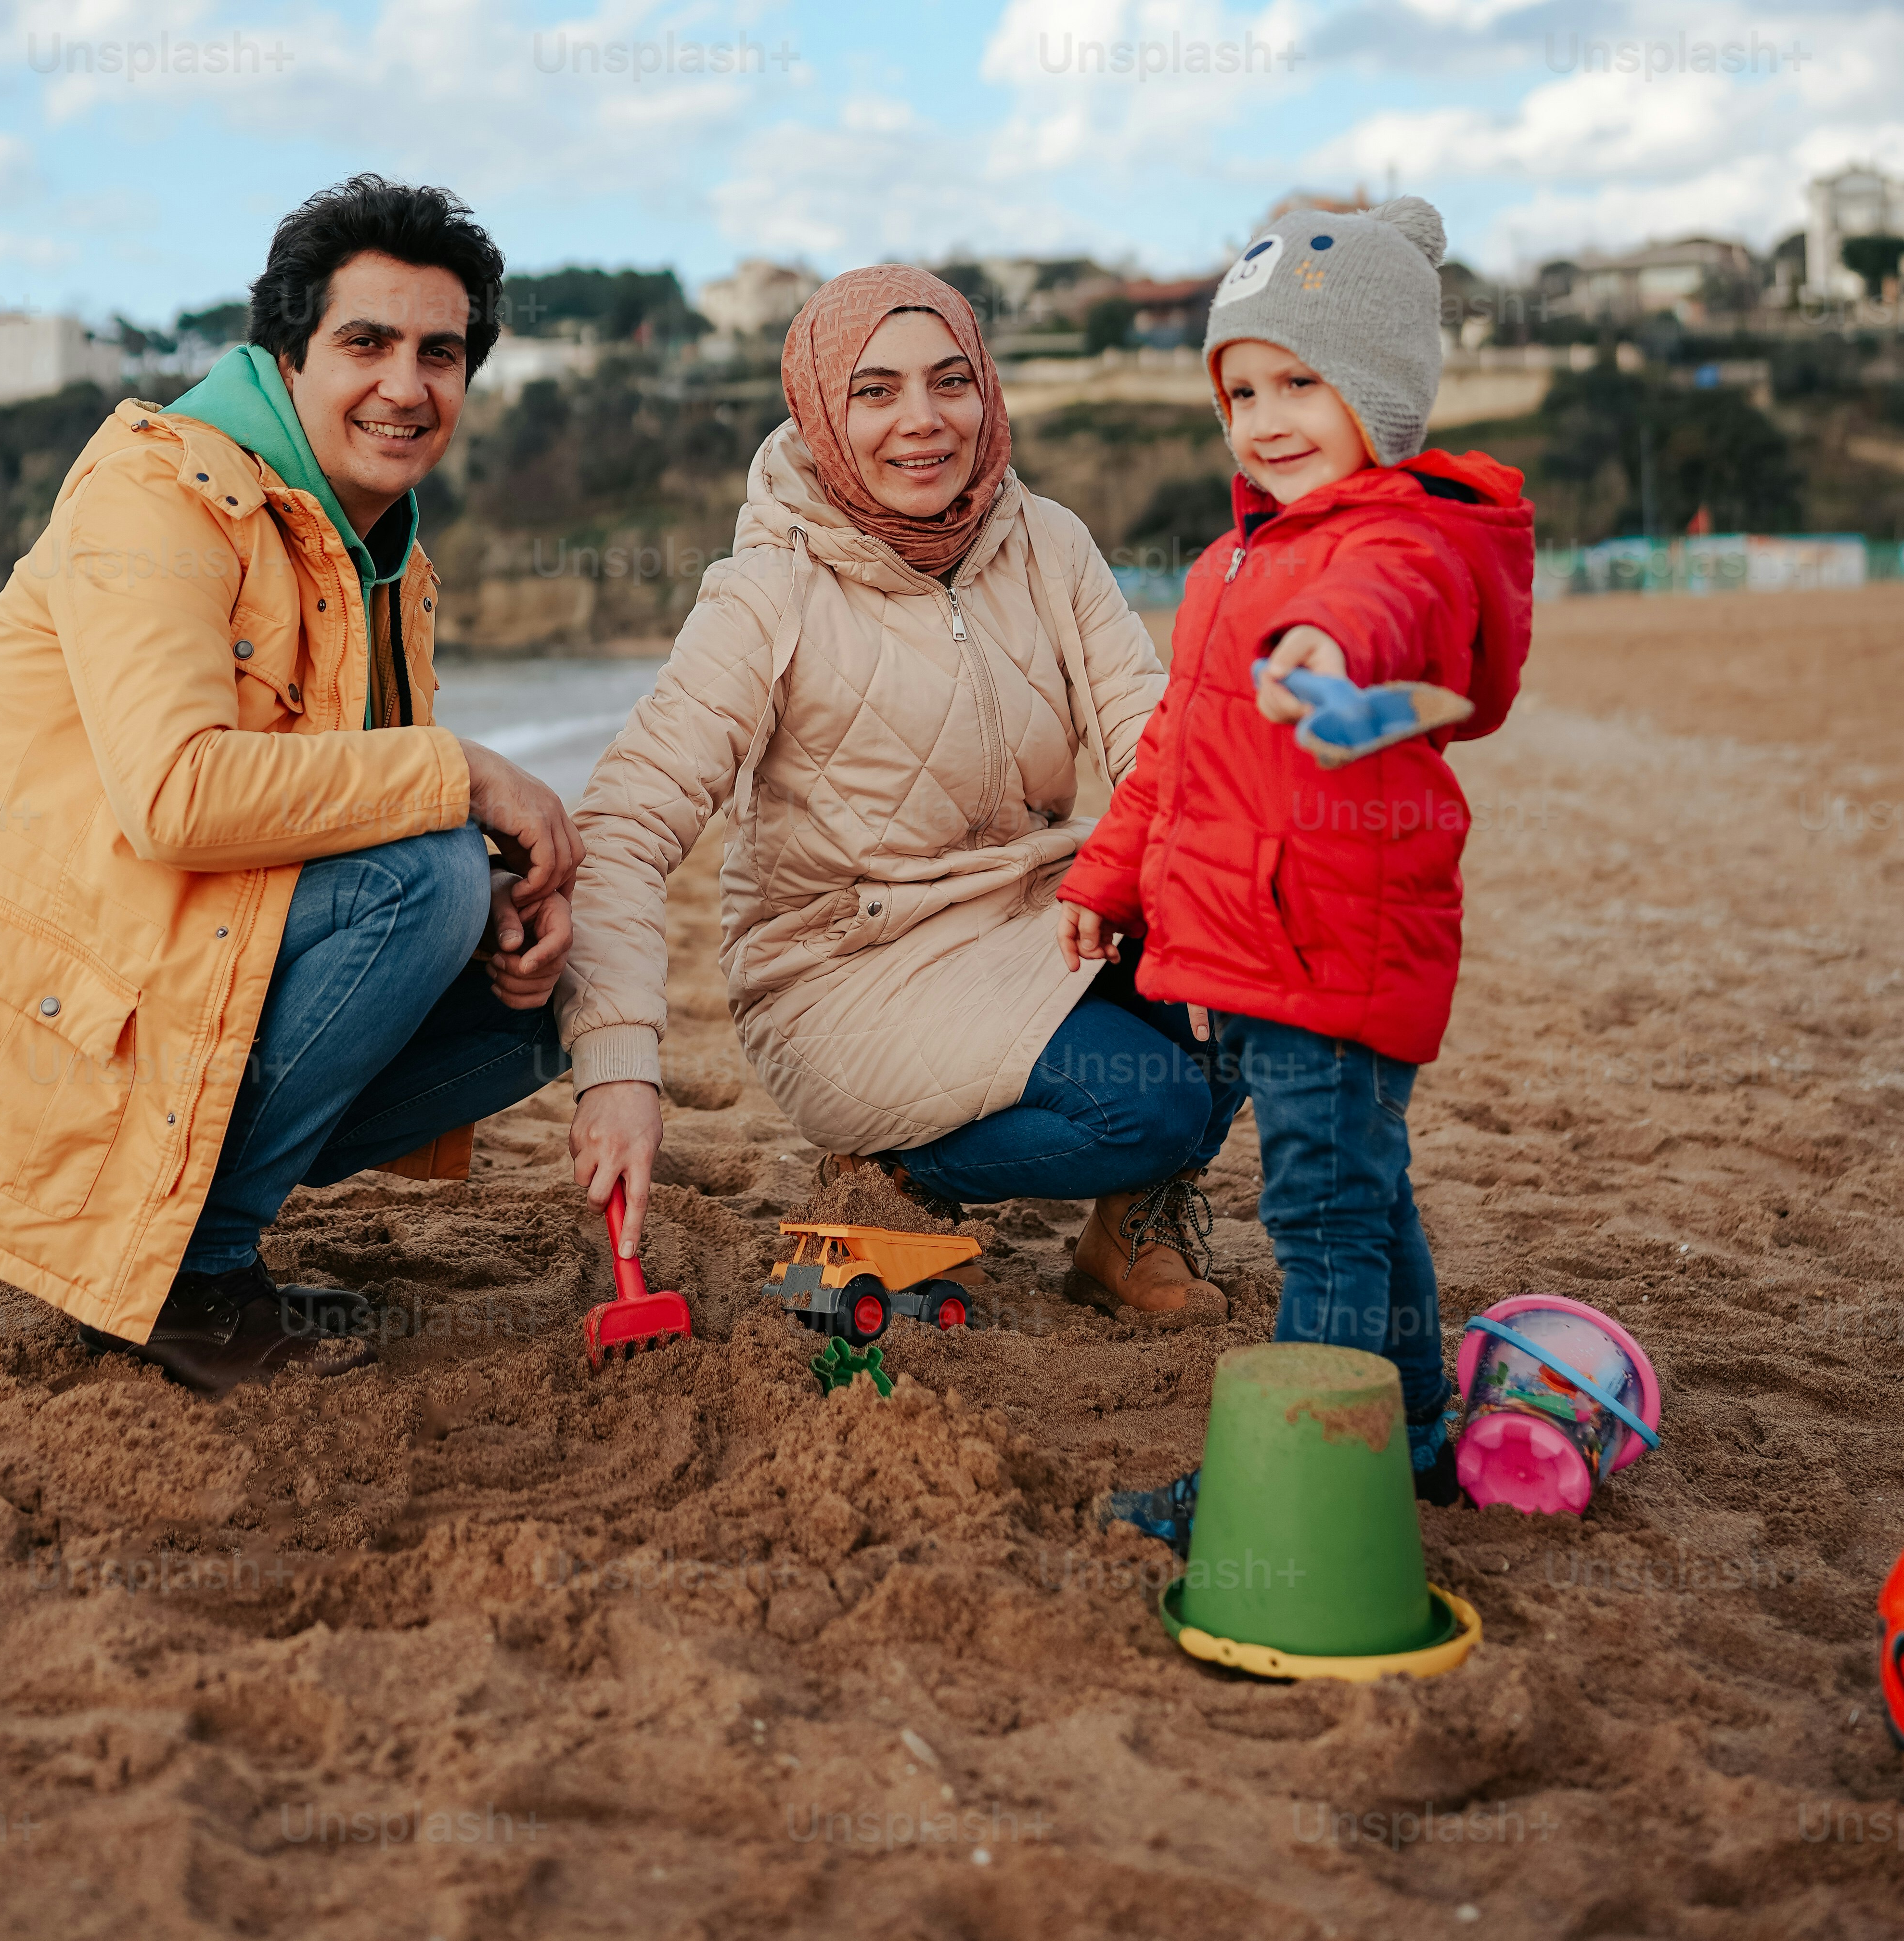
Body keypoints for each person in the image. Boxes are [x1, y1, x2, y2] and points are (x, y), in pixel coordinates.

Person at [0, 176, 642, 1396]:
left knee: (557, 962)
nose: (405, 386)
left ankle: (154, 1221)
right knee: (431, 873)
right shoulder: (158, 497)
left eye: (439, 354)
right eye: (366, 343)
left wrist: (505, 921)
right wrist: (460, 774)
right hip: (41, 1037)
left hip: (182, 978)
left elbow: (331, 814)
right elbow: (180, 796)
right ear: (286, 356)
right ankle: (190, 1271)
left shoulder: (383, 564)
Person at [564, 264, 1228, 1323]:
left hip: (1031, 923)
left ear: (987, 391)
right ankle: (898, 1183)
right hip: (845, 972)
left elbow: (1160, 750)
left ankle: (1126, 1232)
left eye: (948, 382)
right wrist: (616, 1066)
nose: (920, 422)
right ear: (823, 410)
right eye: (874, 392)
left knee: (1263, 946)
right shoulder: (766, 588)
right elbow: (624, 827)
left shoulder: (1045, 541)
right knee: (1153, 1104)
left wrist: (1219, 886)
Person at [1054, 196, 1534, 1489]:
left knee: (1320, 1219)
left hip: (1337, 951)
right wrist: (1109, 873)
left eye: (1301, 385)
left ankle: (1306, 1492)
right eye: (1242, 390)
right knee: (1364, 1196)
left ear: (1380, 392)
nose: (1265, 419)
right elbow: (1174, 748)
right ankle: (1420, 1430)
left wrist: (1322, 655)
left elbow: (1376, 610)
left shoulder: (1402, 540)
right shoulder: (1229, 563)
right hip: (1257, 953)